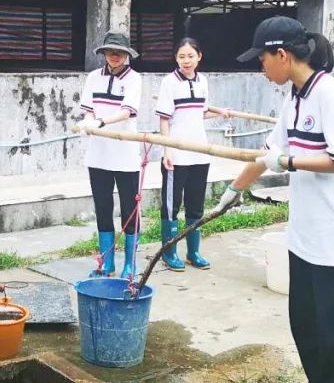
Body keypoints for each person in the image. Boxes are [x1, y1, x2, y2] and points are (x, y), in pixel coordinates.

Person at [209, 16, 334, 383]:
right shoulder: (294, 99)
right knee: (309, 331)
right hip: (305, 238)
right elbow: (266, 155)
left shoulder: (330, 94)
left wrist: (290, 160)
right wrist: (232, 192)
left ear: (283, 55)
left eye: (261, 57)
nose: (259, 66)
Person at [155, 37, 235, 271]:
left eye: (190, 56)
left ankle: (193, 252)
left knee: (195, 206)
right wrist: (167, 149)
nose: (186, 61)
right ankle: (169, 253)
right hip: (176, 155)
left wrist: (220, 112)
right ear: (176, 58)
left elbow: (198, 111)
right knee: (172, 206)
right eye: (181, 56)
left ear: (199, 57)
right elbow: (164, 118)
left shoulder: (203, 81)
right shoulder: (169, 82)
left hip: (200, 152)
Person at [76, 29, 144, 279]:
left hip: (125, 153)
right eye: (110, 52)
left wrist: (101, 122)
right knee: (103, 207)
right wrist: (88, 122)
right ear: (103, 53)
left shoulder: (135, 79)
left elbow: (127, 112)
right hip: (98, 154)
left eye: (120, 53)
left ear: (127, 55)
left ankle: (130, 263)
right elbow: (88, 110)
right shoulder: (93, 77)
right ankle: (106, 263)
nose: (114, 56)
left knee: (129, 209)